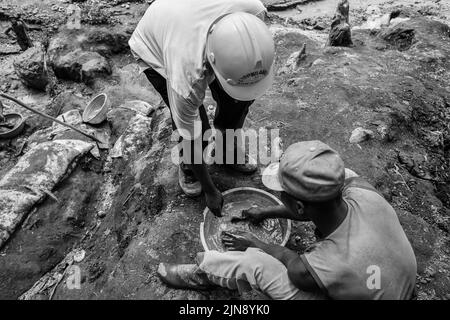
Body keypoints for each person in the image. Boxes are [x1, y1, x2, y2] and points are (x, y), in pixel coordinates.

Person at [157, 141, 417, 300]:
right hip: (397, 284)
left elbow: (293, 264)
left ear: (300, 206)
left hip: (362, 283)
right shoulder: (361, 189)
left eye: (283, 195)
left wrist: (255, 243)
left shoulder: (317, 266)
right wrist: (266, 212)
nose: (278, 197)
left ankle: (203, 272)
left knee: (255, 264)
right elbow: (317, 201)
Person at [129, 0, 275, 216]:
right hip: (154, 45)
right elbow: (189, 134)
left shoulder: (253, 12)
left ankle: (226, 151)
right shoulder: (186, 72)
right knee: (198, 131)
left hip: (194, 27)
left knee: (238, 102)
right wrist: (210, 190)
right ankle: (190, 170)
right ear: (211, 63)